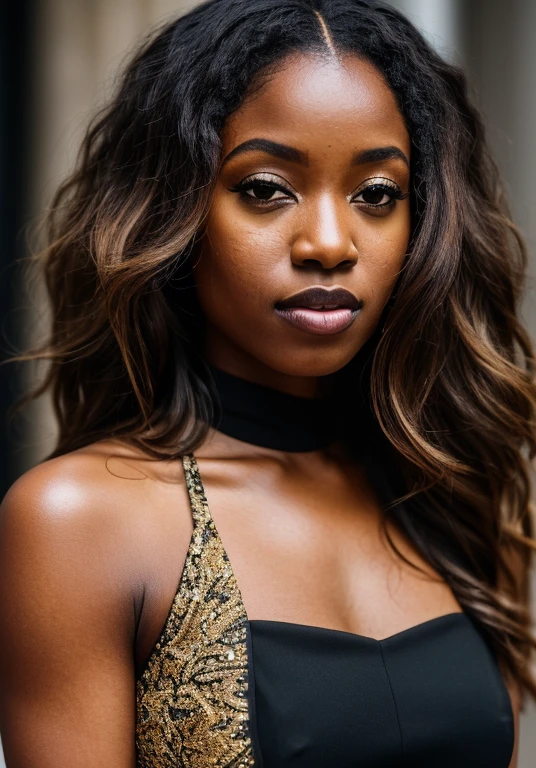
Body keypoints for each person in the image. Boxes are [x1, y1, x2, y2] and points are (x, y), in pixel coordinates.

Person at [0, 0, 534, 765]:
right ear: (176, 208)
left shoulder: (451, 493)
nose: (328, 242)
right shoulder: (80, 522)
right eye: (266, 188)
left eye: (376, 194)